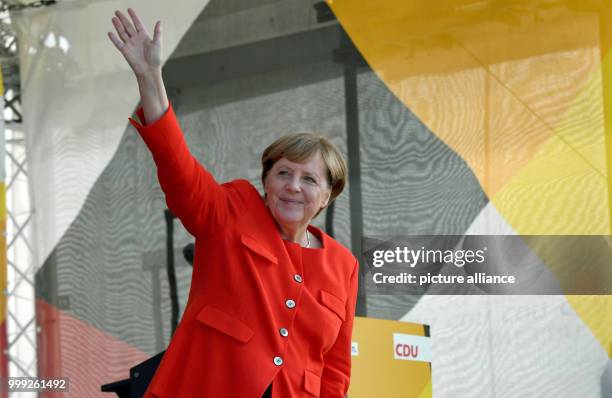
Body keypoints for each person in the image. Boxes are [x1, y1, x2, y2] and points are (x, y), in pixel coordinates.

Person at [108, 9, 358, 398]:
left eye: (309, 179)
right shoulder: (235, 208)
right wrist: (149, 77)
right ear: (266, 181)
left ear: (327, 195)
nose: (293, 186)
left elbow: (336, 371)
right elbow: (181, 173)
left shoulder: (344, 265)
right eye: (283, 173)